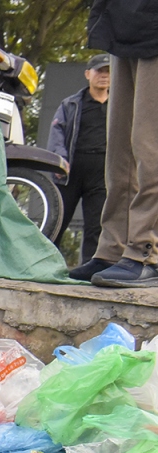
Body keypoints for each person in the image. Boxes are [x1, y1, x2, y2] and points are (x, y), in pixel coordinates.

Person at [83, 0, 158, 286]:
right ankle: (113, 249)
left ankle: (146, 252)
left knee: (150, 146)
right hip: (123, 23)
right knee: (120, 153)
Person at [51, 55, 113, 268]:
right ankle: (47, 264)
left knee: (97, 225)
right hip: (70, 170)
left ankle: (90, 267)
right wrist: (60, 159)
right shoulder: (71, 104)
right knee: (58, 220)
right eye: (99, 71)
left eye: (108, 71)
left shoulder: (120, 106)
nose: (104, 76)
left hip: (102, 172)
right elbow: (57, 131)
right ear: (88, 74)